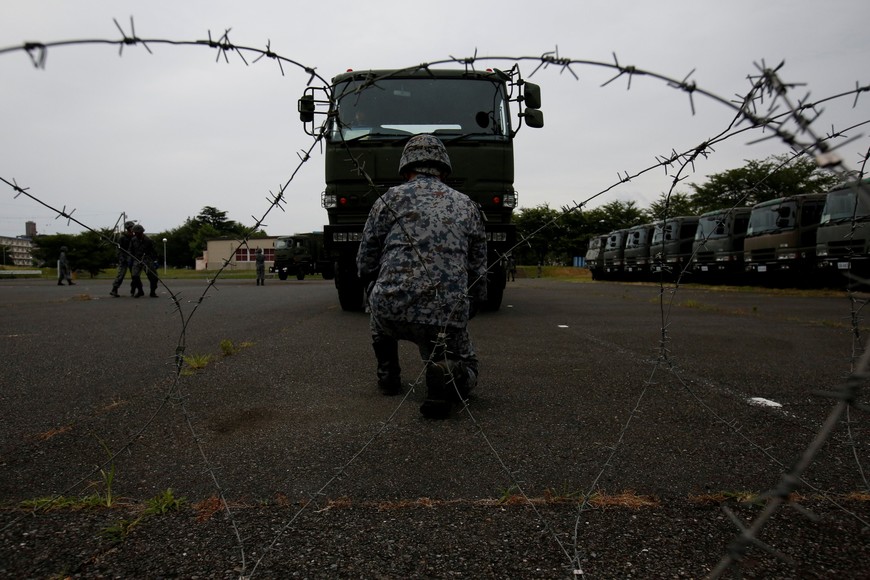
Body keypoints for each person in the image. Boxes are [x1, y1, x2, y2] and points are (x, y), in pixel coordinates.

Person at [357, 134, 487, 419]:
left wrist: (373, 287)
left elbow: (366, 259)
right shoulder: (467, 205)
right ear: (444, 169)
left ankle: (388, 376)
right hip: (443, 314)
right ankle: (447, 376)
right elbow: (479, 268)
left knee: (378, 317)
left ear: (406, 169)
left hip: (390, 310)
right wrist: (473, 303)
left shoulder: (387, 200)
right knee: (466, 364)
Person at [130, 224, 159, 298]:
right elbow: (130, 250)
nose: (135, 234)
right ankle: (140, 291)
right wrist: (130, 259)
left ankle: (152, 292)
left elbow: (154, 252)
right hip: (137, 259)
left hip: (147, 260)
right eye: (134, 233)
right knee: (135, 276)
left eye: (136, 232)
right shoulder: (133, 240)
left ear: (141, 232)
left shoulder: (148, 241)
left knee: (153, 277)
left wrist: (155, 261)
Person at [110, 221, 135, 297]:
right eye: (130, 228)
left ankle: (133, 290)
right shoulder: (122, 237)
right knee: (121, 274)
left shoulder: (134, 237)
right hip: (124, 257)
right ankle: (114, 289)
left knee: (134, 275)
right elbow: (118, 248)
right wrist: (121, 257)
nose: (132, 229)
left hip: (132, 258)